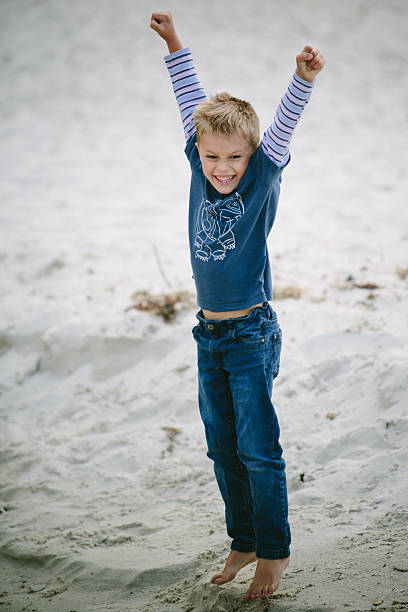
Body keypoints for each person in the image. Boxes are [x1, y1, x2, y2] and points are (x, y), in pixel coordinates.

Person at [150, 11, 325, 600]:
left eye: (235, 158)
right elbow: (189, 99)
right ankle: (243, 540)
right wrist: (175, 42)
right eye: (212, 158)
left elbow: (282, 125)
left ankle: (273, 553)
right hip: (208, 336)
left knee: (258, 448)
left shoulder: (261, 174)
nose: (223, 169)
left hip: (250, 335)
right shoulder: (199, 163)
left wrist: (301, 78)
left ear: (253, 157)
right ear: (198, 152)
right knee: (222, 446)